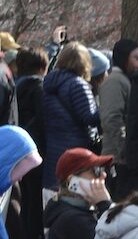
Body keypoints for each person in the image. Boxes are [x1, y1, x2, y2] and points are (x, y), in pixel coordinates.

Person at [40, 40, 101, 192]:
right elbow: (90, 117)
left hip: (53, 149)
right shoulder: (78, 85)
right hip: (76, 151)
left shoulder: (48, 84)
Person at [100, 41, 138, 159]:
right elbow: (112, 118)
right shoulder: (115, 81)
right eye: (137, 57)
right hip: (117, 156)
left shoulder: (126, 79)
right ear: (124, 58)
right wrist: (124, 147)